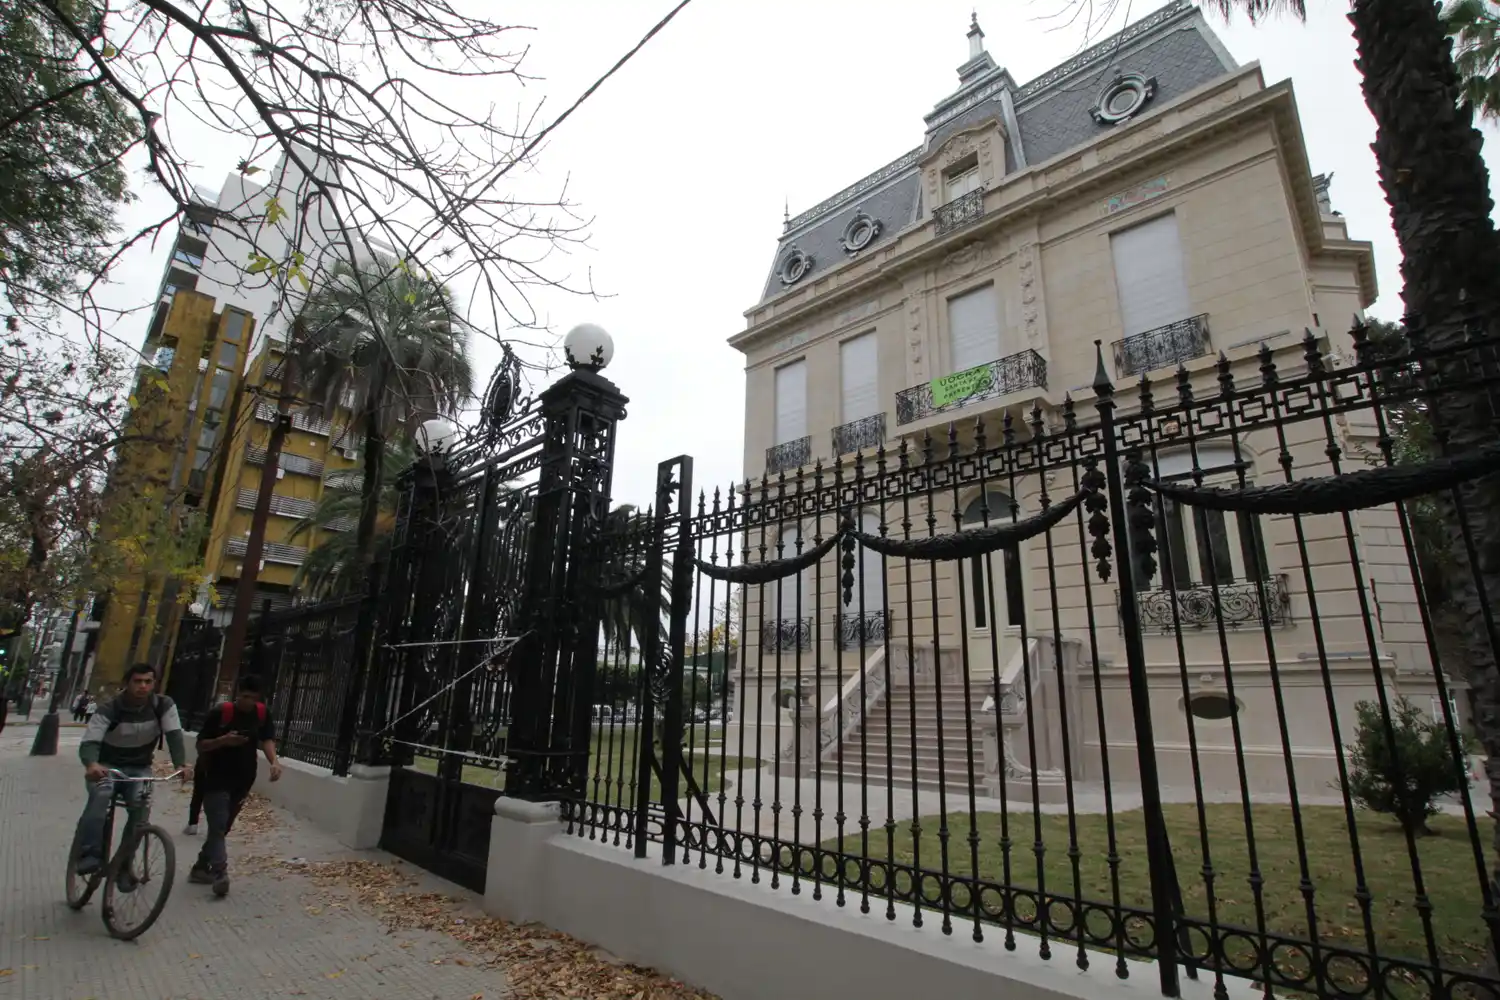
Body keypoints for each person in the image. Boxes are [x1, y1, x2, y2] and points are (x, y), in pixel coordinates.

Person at [74, 664, 191, 884]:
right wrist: (91, 764)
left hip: (139, 767)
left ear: (154, 684)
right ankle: (89, 854)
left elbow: (174, 735)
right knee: (101, 795)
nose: (142, 686)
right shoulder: (109, 708)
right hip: (107, 766)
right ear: (127, 684)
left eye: (148, 682)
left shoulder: (163, 706)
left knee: (140, 811)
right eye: (137, 681)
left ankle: (124, 865)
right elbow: (90, 742)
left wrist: (181, 764)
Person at [190, 675, 280, 896]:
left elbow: (267, 739)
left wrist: (274, 762)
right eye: (244, 696)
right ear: (237, 693)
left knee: (222, 828)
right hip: (215, 777)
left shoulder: (262, 714)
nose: (248, 702)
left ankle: (201, 867)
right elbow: (201, 745)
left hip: (243, 779)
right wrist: (223, 741)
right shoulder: (221, 713)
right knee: (218, 825)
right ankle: (220, 873)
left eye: (253, 698)